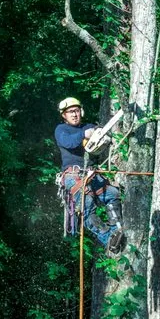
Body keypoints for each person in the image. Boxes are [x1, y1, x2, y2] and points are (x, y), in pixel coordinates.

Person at [54, 97, 123, 253]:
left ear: (81, 111)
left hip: (92, 173)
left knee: (112, 194)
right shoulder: (61, 130)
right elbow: (69, 143)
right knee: (87, 204)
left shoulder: (89, 127)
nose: (74, 114)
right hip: (73, 175)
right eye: (70, 112)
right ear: (64, 115)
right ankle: (109, 238)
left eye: (76, 111)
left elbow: (103, 136)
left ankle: (117, 229)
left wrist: (101, 135)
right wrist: (84, 134)